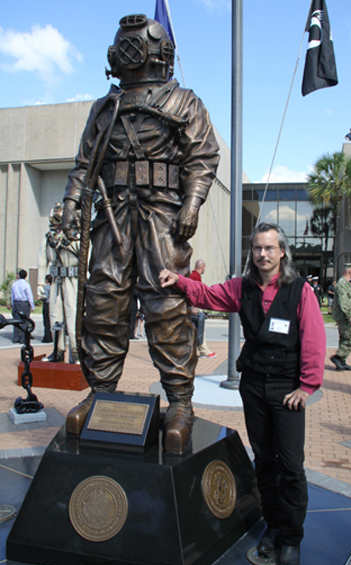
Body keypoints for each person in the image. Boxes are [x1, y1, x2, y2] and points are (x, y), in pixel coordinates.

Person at [61, 14, 220, 455]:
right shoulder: (104, 107)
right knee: (104, 304)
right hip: (113, 218)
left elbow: (203, 156)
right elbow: (83, 166)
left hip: (163, 218)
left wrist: (191, 204)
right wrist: (73, 204)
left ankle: (180, 404)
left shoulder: (185, 102)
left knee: (166, 307)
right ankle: (101, 392)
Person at [159, 222, 326, 565]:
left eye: (269, 248)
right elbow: (209, 296)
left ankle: (292, 539)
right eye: (256, 248)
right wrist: (181, 281)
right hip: (253, 386)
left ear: (282, 251)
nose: (262, 254)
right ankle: (274, 526)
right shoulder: (243, 287)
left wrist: (307, 386)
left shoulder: (299, 290)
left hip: (286, 390)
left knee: (291, 467)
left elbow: (313, 338)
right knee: (264, 460)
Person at [37, 203, 80, 363]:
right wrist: (40, 284)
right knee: (55, 317)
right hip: (56, 282)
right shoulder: (49, 238)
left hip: (73, 282)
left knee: (72, 317)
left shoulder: (78, 238)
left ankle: (76, 352)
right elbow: (42, 261)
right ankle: (58, 351)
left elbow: (87, 261)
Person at [331, 263, 351, 371]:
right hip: (344, 317)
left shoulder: (345, 283)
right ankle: (337, 357)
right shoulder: (342, 284)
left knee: (344, 339)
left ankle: (342, 362)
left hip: (343, 317)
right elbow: (344, 303)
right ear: (350, 271)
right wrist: (349, 317)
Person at [189, 259, 217, 358]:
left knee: (196, 328)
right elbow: (193, 292)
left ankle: (201, 350)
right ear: (202, 267)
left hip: (195, 305)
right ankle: (204, 351)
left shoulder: (193, 276)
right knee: (200, 328)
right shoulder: (195, 277)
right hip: (194, 306)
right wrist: (194, 307)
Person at [10, 269, 35, 344]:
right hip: (24, 303)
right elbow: (29, 296)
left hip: (16, 302)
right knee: (25, 321)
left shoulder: (14, 284)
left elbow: (12, 295)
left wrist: (13, 304)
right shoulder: (26, 284)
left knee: (16, 321)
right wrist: (32, 305)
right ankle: (22, 339)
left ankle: (15, 338)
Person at [41, 274, 53, 343]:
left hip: (47, 304)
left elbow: (46, 296)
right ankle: (51, 336)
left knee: (46, 322)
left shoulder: (46, 287)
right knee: (51, 321)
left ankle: (47, 337)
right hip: (52, 305)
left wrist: (41, 298)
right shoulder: (53, 287)